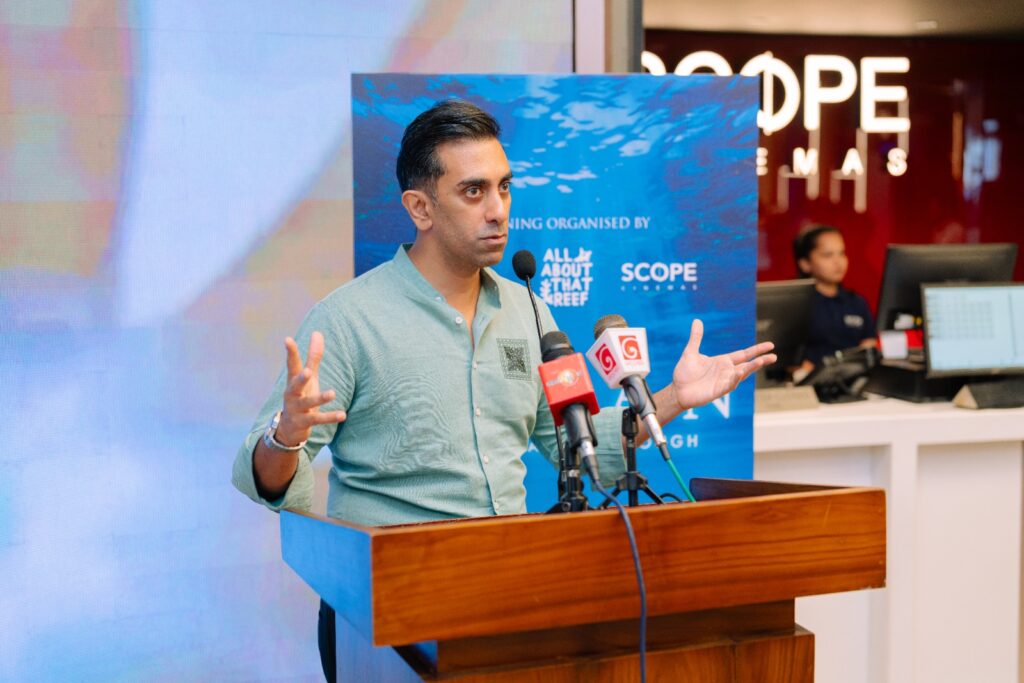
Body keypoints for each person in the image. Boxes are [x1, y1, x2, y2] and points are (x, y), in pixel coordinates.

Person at [232, 99, 776, 681]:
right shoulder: (348, 319)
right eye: (473, 191)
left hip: (506, 591)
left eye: (504, 187)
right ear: (419, 207)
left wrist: (671, 398)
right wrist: (286, 436)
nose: (498, 211)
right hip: (388, 611)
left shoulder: (528, 310)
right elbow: (259, 479)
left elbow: (577, 447)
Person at [793, 225, 877, 367]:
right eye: (827, 255)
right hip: (809, 378)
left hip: (854, 376)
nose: (838, 262)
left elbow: (869, 342)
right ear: (805, 264)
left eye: (841, 253)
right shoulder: (795, 305)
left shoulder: (857, 302)